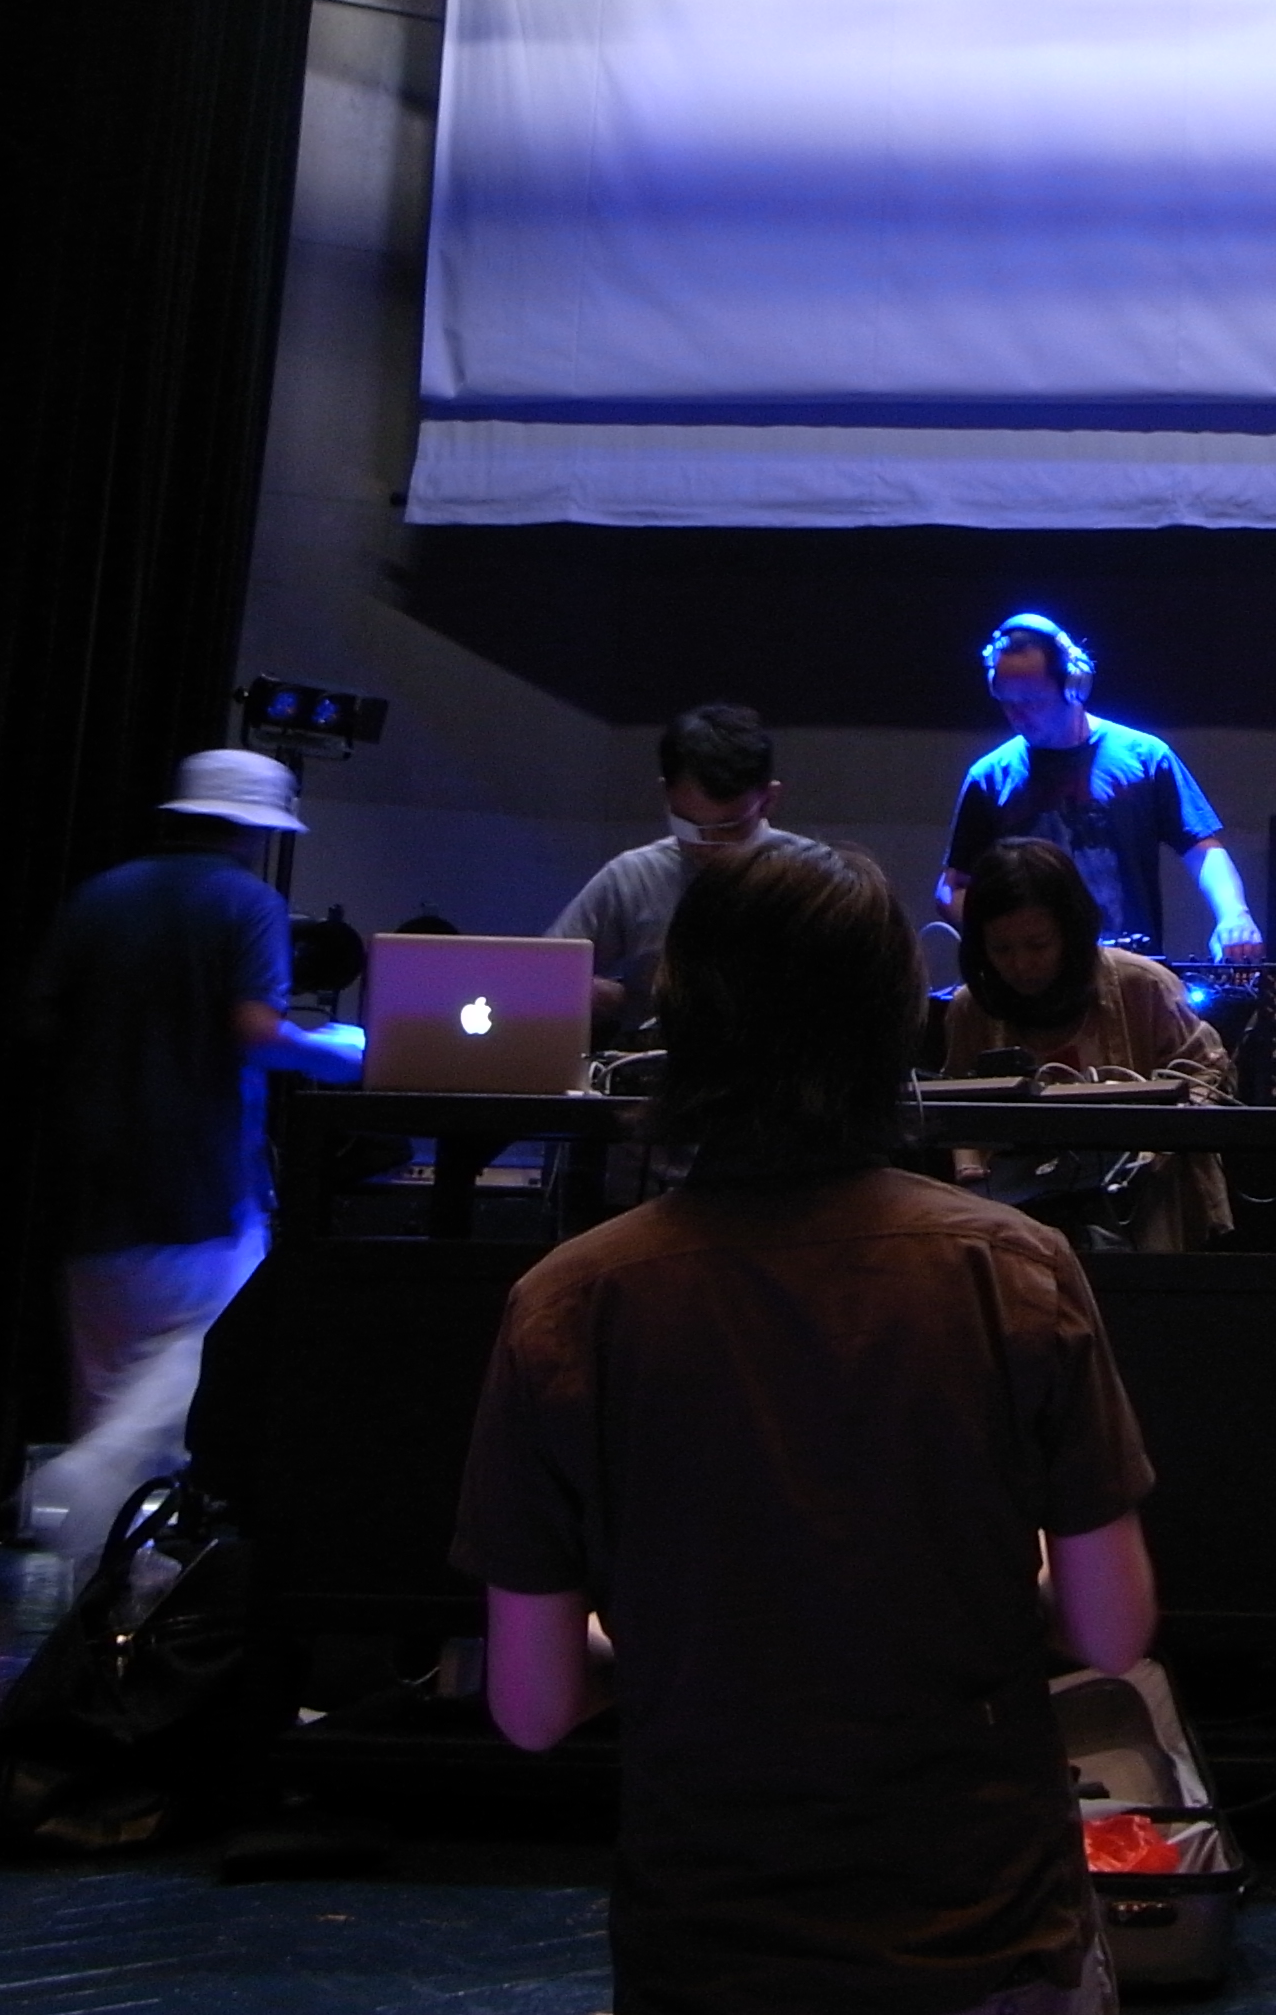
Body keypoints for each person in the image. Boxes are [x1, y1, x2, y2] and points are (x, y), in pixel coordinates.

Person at [459, 843, 1158, 2015]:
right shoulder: (1014, 1267)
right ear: (893, 1025)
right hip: (989, 1938)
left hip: (706, 1951)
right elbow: (1112, 1624)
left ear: (685, 1022)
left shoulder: (567, 1304)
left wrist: (703, 1639)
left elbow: (530, 1708)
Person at [25, 749, 358, 1583]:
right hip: (201, 1184)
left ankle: (102, 1593)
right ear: (254, 830)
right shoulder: (247, 902)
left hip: (90, 1186)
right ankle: (89, 1486)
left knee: (104, 1382)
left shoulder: (100, 897)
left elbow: (42, 1023)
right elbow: (255, 1030)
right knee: (196, 1369)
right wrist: (346, 1051)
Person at [944, 839, 1236, 1250]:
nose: (1021, 965)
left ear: (1071, 932)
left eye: (1037, 945)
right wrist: (970, 1170)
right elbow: (958, 1114)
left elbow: (1210, 1075)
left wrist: (1152, 1143)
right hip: (1019, 1226)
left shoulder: (1143, 986)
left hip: (1144, 1214)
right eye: (1001, 949)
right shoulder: (971, 1008)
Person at [939, 616, 1262, 963]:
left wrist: (1235, 914)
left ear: (1074, 686)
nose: (1018, 716)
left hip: (1130, 973)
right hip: (1031, 978)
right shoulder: (989, 777)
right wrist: (1008, 937)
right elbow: (952, 889)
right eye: (1007, 701)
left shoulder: (1145, 757)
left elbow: (1203, 851)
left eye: (1032, 701)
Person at [549, 704, 842, 1034]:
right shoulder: (633, 877)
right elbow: (537, 978)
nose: (707, 845)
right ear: (666, 795)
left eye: (730, 829)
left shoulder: (818, 877)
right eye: (687, 827)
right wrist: (590, 992)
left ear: (768, 800)